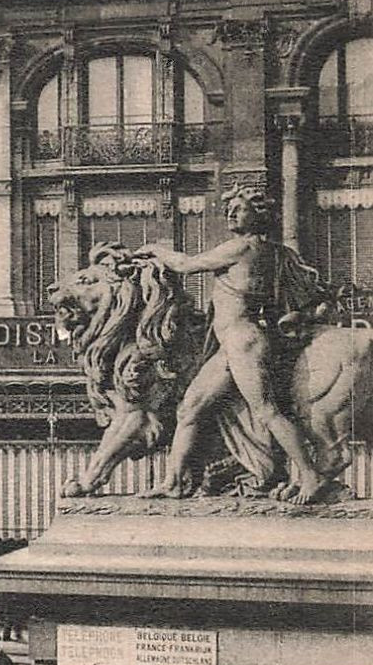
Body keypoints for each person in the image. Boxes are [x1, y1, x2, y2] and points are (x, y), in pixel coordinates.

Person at [135, 185, 335, 503]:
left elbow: (186, 265)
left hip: (243, 341)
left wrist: (156, 250)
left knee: (267, 411)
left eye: (239, 208)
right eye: (229, 208)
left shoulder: (243, 247)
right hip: (231, 345)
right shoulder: (274, 251)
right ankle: (173, 482)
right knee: (189, 408)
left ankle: (311, 476)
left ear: (259, 215)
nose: (231, 213)